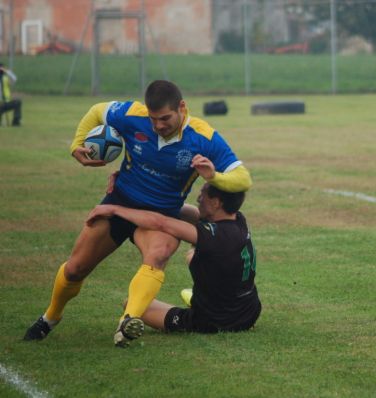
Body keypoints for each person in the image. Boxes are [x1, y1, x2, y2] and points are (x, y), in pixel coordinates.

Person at [23, 80, 252, 346]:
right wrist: (76, 144)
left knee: (160, 252)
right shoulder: (133, 115)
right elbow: (98, 110)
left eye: (165, 118)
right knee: (75, 269)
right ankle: (50, 317)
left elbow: (243, 178)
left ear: (182, 107)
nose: (158, 126)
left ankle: (127, 323)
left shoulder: (203, 136)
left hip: (160, 217)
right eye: (153, 119)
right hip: (120, 202)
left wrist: (215, 177)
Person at [85, 181, 260, 337]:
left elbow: (161, 223)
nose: (198, 198)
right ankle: (200, 298)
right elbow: (191, 214)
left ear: (216, 202)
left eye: (203, 194)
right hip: (249, 311)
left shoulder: (213, 237)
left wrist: (114, 208)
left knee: (132, 304)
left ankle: (196, 308)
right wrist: (156, 203)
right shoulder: (238, 220)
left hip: (213, 320)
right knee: (194, 256)